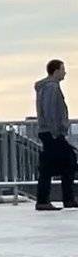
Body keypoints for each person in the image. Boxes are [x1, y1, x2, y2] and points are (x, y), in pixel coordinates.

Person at [34, 60, 76, 211]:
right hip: (52, 133)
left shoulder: (48, 87)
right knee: (66, 161)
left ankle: (64, 198)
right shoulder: (51, 88)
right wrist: (56, 132)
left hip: (49, 132)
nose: (65, 72)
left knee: (66, 163)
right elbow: (51, 110)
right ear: (56, 71)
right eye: (63, 69)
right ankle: (48, 200)